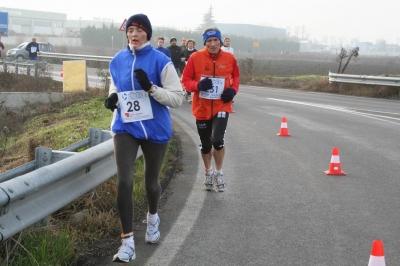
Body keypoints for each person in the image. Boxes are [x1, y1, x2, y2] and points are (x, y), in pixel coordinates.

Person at [104, 13, 183, 263]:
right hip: (125, 127)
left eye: (139, 30)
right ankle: (127, 242)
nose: (134, 34)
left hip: (155, 128)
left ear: (147, 34)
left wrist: (150, 88)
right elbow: (116, 86)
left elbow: (177, 98)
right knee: (125, 182)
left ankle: (152, 217)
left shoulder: (161, 61)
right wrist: (113, 97)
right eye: (130, 30)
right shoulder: (117, 60)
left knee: (151, 184)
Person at [181, 27, 240, 192]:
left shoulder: (229, 58)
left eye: (216, 40)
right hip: (202, 107)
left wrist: (233, 90)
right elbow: (185, 80)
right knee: (206, 145)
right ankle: (208, 172)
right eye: (209, 41)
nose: (213, 44)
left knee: (218, 140)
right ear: (204, 43)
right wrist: (197, 85)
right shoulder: (195, 57)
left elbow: (236, 76)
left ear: (220, 41)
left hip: (222, 105)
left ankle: (219, 172)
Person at [179, 39, 197, 103]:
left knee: (193, 81)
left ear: (194, 45)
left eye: (192, 44)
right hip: (185, 68)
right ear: (187, 45)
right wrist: (182, 59)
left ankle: (187, 92)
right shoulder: (184, 51)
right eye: (189, 44)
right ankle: (189, 95)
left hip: (194, 68)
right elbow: (180, 58)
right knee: (187, 80)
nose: (190, 45)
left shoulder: (196, 52)